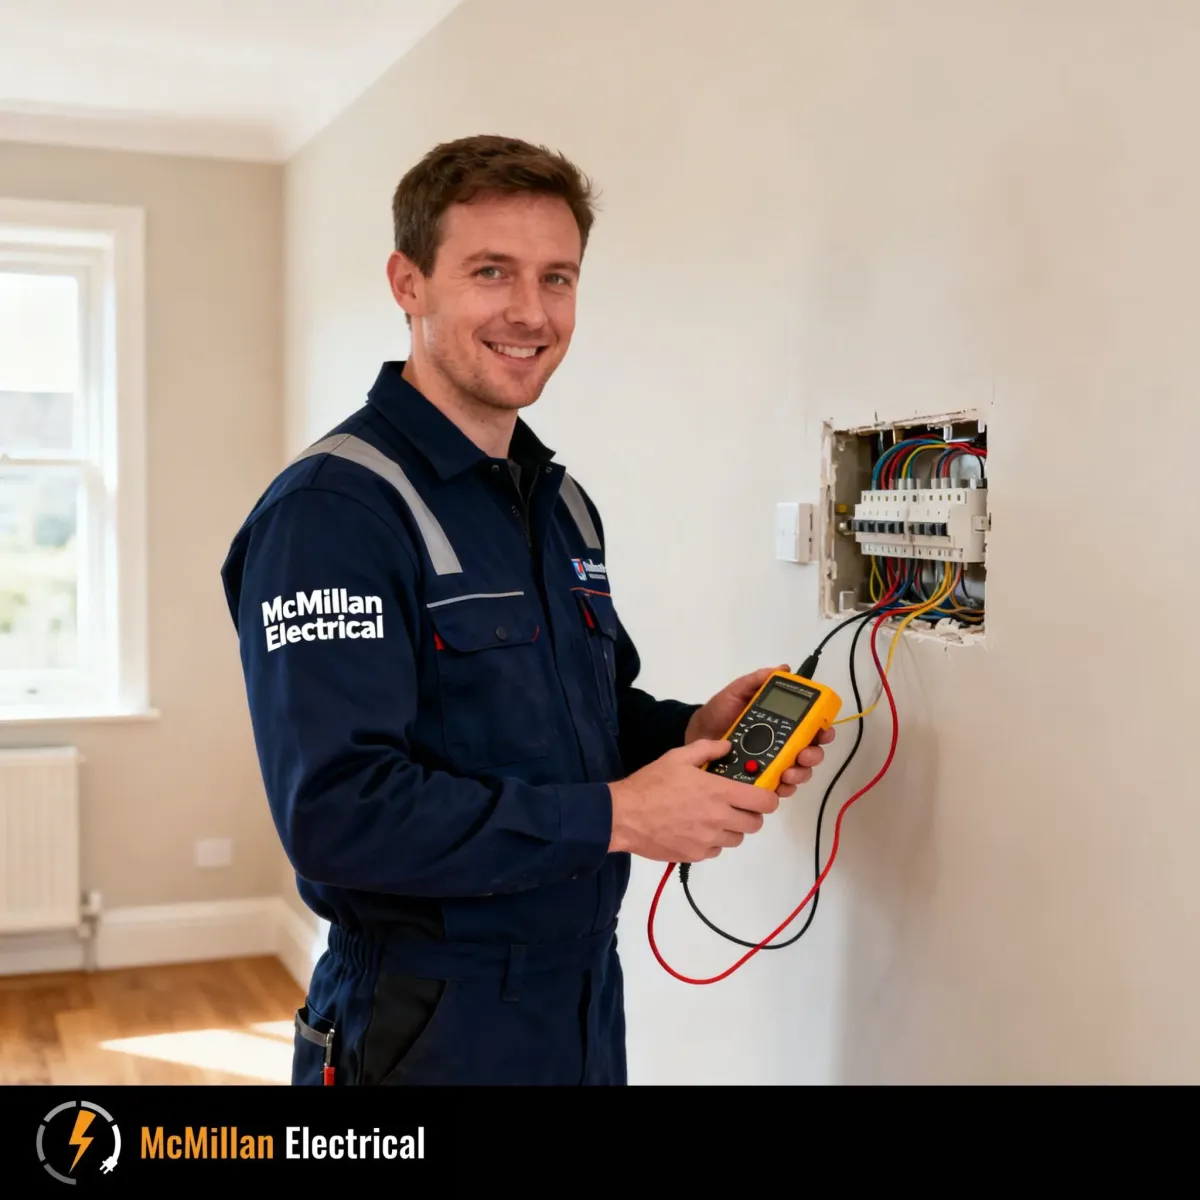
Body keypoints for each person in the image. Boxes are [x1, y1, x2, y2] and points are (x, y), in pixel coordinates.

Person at [220, 134, 834, 1087]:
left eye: (558, 278)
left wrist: (689, 733)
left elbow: (580, 717)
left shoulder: (557, 501)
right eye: (491, 272)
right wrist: (618, 818)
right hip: (426, 1023)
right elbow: (338, 816)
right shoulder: (332, 514)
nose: (530, 312)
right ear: (408, 283)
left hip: (580, 999)